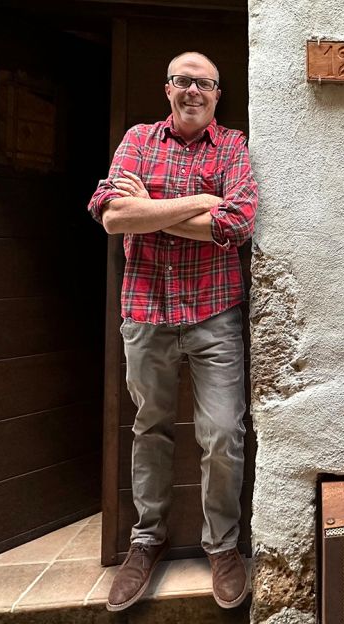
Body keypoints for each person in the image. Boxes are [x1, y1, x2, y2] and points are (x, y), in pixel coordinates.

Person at [86, 51, 257, 610]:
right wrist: (198, 204)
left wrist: (150, 208)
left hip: (214, 314)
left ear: (216, 94)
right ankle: (146, 542)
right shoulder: (138, 138)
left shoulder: (232, 145)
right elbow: (111, 216)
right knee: (150, 429)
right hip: (147, 312)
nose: (193, 92)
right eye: (184, 81)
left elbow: (236, 223)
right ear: (167, 89)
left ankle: (223, 547)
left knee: (224, 433)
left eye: (204, 84)